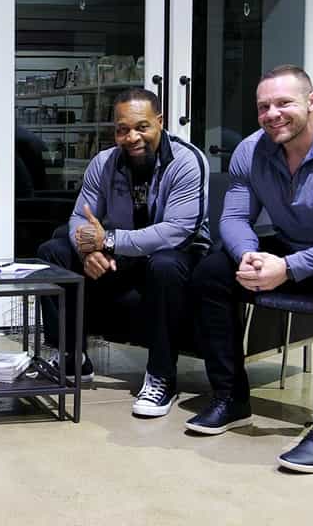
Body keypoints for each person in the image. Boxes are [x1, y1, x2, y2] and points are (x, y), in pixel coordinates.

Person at [187, 65, 313, 474]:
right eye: (263, 106)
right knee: (211, 272)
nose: (272, 114)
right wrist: (247, 255)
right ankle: (230, 398)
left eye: (284, 103)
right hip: (291, 246)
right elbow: (234, 217)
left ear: (312, 101)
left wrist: (289, 268)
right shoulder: (251, 150)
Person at [37, 88, 210, 417]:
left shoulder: (187, 161)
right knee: (53, 251)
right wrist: (87, 251)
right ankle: (72, 357)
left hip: (177, 254)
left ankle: (161, 376)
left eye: (142, 127)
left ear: (160, 122)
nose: (132, 137)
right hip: (124, 255)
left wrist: (109, 241)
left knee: (165, 263)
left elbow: (177, 231)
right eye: (122, 129)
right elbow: (79, 218)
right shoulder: (104, 162)